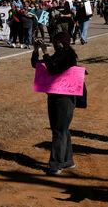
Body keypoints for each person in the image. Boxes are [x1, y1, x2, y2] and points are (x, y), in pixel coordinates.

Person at [32, 32, 78, 175]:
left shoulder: (69, 56)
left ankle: (56, 164)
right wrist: (36, 50)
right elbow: (37, 64)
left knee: (59, 130)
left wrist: (45, 53)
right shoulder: (58, 55)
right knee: (61, 129)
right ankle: (67, 160)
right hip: (54, 95)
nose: (54, 44)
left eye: (56, 41)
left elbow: (53, 69)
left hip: (65, 98)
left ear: (63, 42)